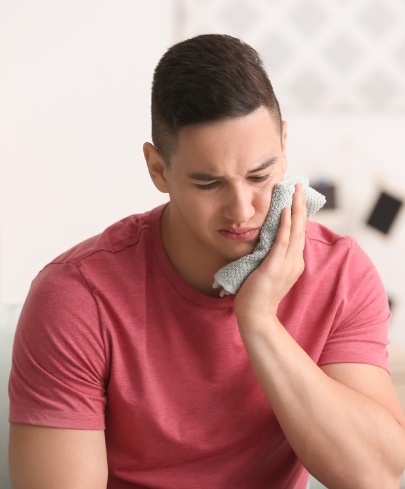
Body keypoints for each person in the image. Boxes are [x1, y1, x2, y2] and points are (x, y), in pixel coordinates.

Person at [8, 34, 405, 489]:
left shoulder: (340, 273)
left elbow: (375, 477)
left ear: (284, 142)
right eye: (208, 183)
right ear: (158, 169)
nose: (242, 209)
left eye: (260, 176)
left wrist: (257, 320)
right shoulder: (77, 297)